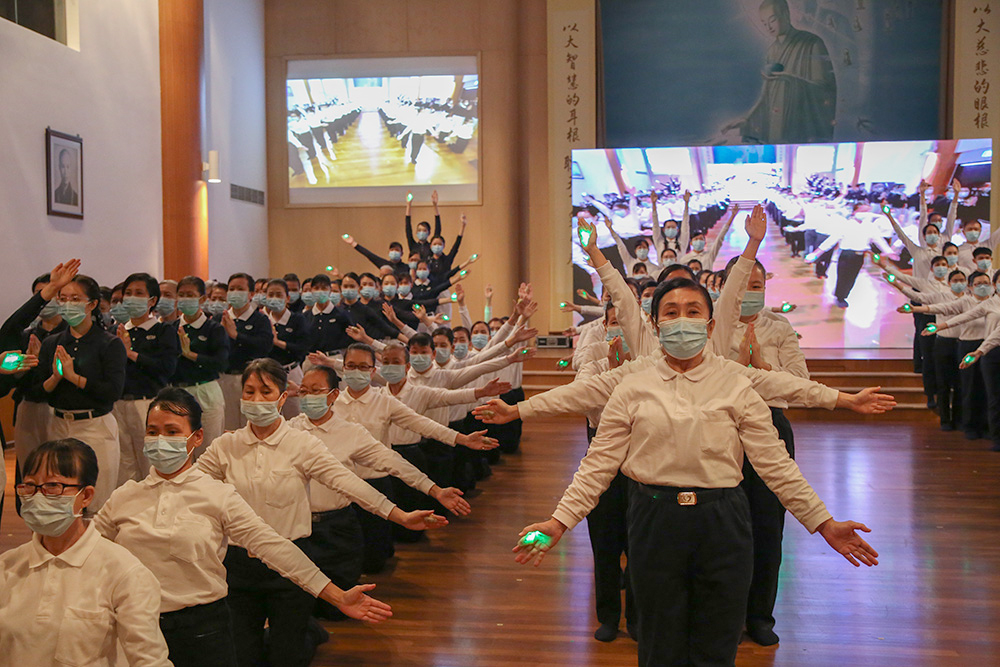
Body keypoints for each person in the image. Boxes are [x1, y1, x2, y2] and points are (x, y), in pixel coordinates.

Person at [511, 278, 877, 666]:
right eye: (671, 313)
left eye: (693, 312)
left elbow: (776, 464)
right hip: (654, 520)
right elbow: (597, 464)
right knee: (658, 645)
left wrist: (823, 522)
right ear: (655, 326)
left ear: (710, 325)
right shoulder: (632, 387)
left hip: (723, 521)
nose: (682, 321)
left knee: (717, 643)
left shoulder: (736, 385)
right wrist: (559, 521)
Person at [94, 388, 391, 666]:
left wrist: (336, 595)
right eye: (153, 432)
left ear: (197, 437)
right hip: (136, 625)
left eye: (172, 432)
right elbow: (87, 549)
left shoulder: (217, 495)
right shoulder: (124, 496)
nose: (161, 440)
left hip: (202, 628)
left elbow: (273, 547)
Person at [196, 358, 443, 667]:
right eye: (249, 392)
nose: (256, 400)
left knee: (287, 656)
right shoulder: (226, 445)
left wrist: (399, 515)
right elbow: (191, 486)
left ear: (282, 398)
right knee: (243, 655)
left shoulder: (302, 444)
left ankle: (309, 634)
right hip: (239, 566)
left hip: (293, 563)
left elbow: (349, 483)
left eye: (266, 391)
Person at [291, 365, 472, 605]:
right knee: (300, 603)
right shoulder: (290, 430)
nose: (308, 397)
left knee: (336, 606)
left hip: (337, 525)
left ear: (333, 394)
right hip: (297, 526)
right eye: (303, 391)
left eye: (316, 391)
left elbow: (391, 461)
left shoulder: (350, 432)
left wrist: (434, 490)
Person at [1, 439, 169, 664]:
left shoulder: (123, 572)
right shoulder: (7, 567)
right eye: (30, 486)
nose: (38, 497)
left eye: (53, 486)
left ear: (86, 495)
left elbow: (149, 660)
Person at [723, 255, 809, 646]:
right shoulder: (713, 327)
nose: (749, 293)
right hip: (723, 427)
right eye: (743, 285)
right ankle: (726, 614)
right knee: (724, 523)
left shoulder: (779, 326)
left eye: (756, 286)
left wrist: (759, 367)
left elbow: (800, 382)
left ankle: (760, 615)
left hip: (771, 423)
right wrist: (739, 367)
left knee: (767, 524)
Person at [33, 274, 127, 510]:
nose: (68, 304)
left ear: (92, 304)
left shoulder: (109, 343)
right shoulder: (52, 343)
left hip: (95, 425)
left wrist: (75, 378)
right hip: (58, 423)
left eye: (75, 299)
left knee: (97, 498)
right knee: (60, 495)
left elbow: (112, 391)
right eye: (63, 298)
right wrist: (56, 378)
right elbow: (37, 391)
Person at [722, 0, 836, 144]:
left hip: (799, 124)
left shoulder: (812, 43)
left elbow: (825, 90)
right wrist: (747, 120)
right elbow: (767, 96)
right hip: (776, 124)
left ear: (786, 14)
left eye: (772, 20)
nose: (769, 27)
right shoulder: (772, 52)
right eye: (764, 23)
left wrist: (790, 81)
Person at [910, 271, 993, 440]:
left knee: (987, 389)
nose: (982, 287)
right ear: (970, 287)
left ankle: (986, 425)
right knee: (968, 387)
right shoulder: (966, 301)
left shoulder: (994, 302)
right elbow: (945, 309)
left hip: (989, 347)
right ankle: (969, 425)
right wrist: (918, 309)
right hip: (968, 345)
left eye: (986, 283)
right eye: (978, 284)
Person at [114, 272, 180, 484]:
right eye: (128, 293)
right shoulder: (116, 331)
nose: (132, 297)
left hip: (148, 402)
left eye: (139, 293)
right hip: (118, 404)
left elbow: (167, 368)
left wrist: (131, 354)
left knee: (150, 463)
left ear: (152, 301)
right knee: (123, 466)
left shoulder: (163, 331)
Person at [173, 275, 229, 455]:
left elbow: (221, 363)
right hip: (178, 391)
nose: (185, 299)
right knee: (180, 451)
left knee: (208, 450)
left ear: (202, 299)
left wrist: (191, 355)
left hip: (205, 390)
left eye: (190, 295)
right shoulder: (171, 327)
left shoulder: (214, 329)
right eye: (181, 295)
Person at [806, 203, 892, 308]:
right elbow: (832, 240)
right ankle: (840, 297)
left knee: (852, 278)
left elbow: (879, 240)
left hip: (859, 256)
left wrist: (889, 251)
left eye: (868, 212)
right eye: (863, 211)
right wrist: (816, 253)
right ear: (855, 212)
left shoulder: (870, 227)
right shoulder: (846, 225)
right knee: (843, 276)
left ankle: (842, 294)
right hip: (846, 255)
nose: (866, 214)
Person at [219, 272, 273, 430]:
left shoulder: (260, 319)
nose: (235, 293)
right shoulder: (219, 319)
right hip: (224, 378)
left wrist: (237, 336)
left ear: (251, 294)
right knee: (227, 427)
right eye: (232, 289)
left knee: (251, 425)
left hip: (251, 377)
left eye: (240, 289)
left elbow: (265, 346)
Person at [263, 278, 309, 418]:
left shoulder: (297, 319)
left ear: (287, 298)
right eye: (271, 295)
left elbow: (302, 347)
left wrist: (278, 343)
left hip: (291, 372)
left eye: (279, 295)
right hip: (268, 373)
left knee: (295, 415)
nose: (274, 298)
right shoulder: (263, 320)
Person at [405, 190, 442, 260]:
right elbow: (408, 229)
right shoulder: (413, 245)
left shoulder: (431, 246)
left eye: (424, 230)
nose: (421, 232)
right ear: (416, 232)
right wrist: (408, 205)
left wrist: (435, 206)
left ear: (429, 233)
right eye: (419, 230)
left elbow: (438, 229)